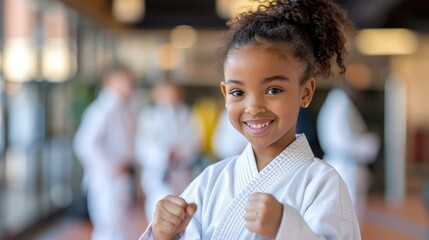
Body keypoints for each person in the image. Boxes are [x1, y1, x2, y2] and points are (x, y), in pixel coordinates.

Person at [140, 0, 360, 239]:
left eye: (273, 90)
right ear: (225, 95)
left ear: (305, 92)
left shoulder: (321, 184)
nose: (253, 107)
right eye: (238, 93)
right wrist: (162, 234)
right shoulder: (211, 181)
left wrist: (286, 228)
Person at [73, 65, 143, 240]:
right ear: (110, 81)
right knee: (109, 230)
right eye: (125, 79)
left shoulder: (126, 109)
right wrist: (113, 167)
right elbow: (84, 145)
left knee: (126, 228)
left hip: (125, 178)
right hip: (107, 181)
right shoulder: (101, 110)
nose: (130, 83)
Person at [136, 79, 201, 222]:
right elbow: (142, 147)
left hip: (182, 171)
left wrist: (180, 152)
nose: (170, 99)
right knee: (158, 214)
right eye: (166, 94)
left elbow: (196, 140)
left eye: (173, 94)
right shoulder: (149, 116)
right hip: (158, 173)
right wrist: (164, 153)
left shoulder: (186, 114)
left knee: (184, 213)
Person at [317, 82, 380, 219]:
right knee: (347, 213)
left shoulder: (338, 105)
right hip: (345, 165)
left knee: (350, 211)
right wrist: (369, 144)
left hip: (345, 163)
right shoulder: (340, 106)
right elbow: (342, 141)